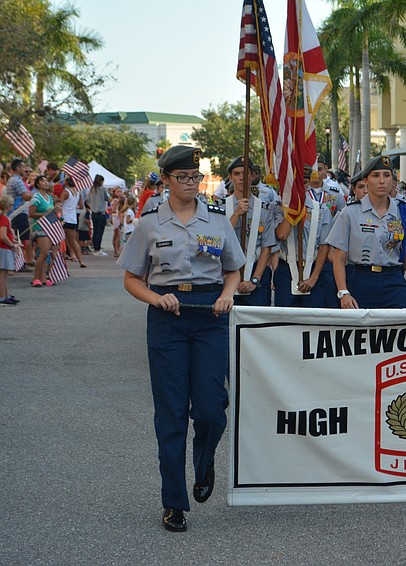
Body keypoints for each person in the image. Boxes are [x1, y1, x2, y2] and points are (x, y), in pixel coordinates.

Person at [117, 145, 246, 533]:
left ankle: (203, 461)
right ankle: (173, 501)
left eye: (195, 177)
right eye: (183, 177)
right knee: (171, 415)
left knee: (211, 410)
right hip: (167, 318)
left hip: (209, 314)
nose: (191, 183)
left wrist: (227, 294)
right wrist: (157, 297)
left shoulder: (218, 219)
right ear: (166, 180)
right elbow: (131, 278)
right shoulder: (149, 222)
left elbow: (233, 269)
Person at [327, 155, 406, 309]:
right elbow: (339, 258)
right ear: (366, 180)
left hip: (393, 281)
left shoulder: (403, 212)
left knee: (394, 330)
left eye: (387, 175)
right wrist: (343, 292)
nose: (382, 181)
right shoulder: (350, 213)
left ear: (393, 180)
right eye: (376, 175)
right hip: (361, 280)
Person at [273, 170, 335, 308]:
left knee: (312, 317)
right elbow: (282, 234)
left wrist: (314, 278)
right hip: (286, 269)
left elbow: (324, 247)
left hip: (313, 268)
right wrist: (293, 209)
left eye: (303, 181)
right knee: (285, 318)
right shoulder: (277, 208)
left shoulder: (321, 210)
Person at [224, 156, 276, 307]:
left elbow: (267, 247)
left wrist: (255, 280)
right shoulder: (221, 208)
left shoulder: (265, 209)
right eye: (237, 174)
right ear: (230, 177)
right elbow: (220, 239)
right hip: (227, 271)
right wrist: (236, 214)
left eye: (245, 173)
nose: (241, 178)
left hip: (255, 271)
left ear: (253, 176)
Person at [28, 175, 56, 287]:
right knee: (44, 252)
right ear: (38, 184)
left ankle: (43, 277)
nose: (46, 183)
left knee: (46, 254)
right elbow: (31, 213)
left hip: (49, 227)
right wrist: (43, 215)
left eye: (46, 181)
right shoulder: (36, 197)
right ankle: (35, 277)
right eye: (43, 181)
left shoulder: (49, 197)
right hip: (39, 227)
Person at [4, 159, 33, 266]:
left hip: (14, 212)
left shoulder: (14, 180)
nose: (25, 170)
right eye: (23, 167)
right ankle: (22, 262)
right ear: (17, 168)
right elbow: (26, 196)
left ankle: (19, 261)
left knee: (18, 237)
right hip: (18, 212)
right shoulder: (17, 181)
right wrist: (37, 194)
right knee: (22, 238)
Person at [59, 176, 86, 268]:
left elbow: (59, 204)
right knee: (73, 240)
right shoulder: (78, 193)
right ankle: (80, 260)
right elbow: (81, 206)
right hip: (73, 218)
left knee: (61, 240)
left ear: (67, 182)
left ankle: (61, 260)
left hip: (64, 217)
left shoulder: (66, 192)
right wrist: (73, 207)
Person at [0, 194, 21, 305]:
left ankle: (6, 294)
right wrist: (12, 245)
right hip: (4, 248)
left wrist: (13, 240)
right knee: (3, 273)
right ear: (7, 206)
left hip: (5, 247)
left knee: (5, 273)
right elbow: (3, 236)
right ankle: (2, 296)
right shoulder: (4, 218)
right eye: (11, 204)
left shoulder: (4, 218)